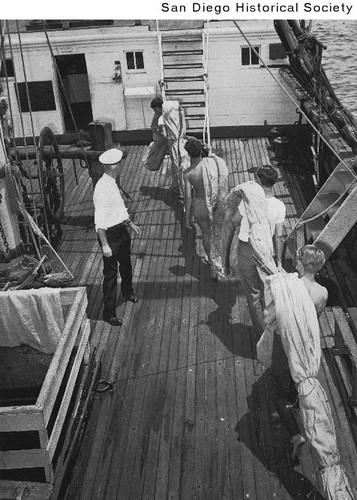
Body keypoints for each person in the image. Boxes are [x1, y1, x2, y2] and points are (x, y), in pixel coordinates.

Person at [261, 245, 328, 460]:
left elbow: (269, 316)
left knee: (278, 390)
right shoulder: (322, 293)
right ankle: (291, 409)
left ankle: (295, 435)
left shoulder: (288, 285)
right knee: (295, 380)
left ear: (300, 262)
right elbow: (313, 320)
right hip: (305, 343)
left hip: (284, 342)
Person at [231, 165, 286, 337]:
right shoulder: (279, 205)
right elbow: (279, 236)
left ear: (259, 181)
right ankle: (272, 326)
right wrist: (278, 262)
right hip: (266, 250)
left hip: (247, 248)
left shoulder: (248, 201)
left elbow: (234, 221)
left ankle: (261, 333)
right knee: (268, 292)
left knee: (253, 294)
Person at [93, 148, 140, 326]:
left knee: (126, 265)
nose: (121, 166)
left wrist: (129, 222)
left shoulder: (111, 182)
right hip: (109, 236)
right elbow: (99, 222)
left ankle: (127, 292)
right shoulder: (101, 189)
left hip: (121, 231)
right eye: (119, 163)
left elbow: (118, 207)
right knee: (111, 274)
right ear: (114, 166)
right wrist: (105, 245)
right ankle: (109, 313)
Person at [183, 137, 229, 278]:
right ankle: (224, 260)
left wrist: (187, 216)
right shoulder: (213, 163)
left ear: (189, 154)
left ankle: (211, 261)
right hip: (217, 204)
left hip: (201, 206)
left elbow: (188, 197)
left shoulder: (188, 173)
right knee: (219, 233)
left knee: (206, 235)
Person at [143, 97, 169, 172]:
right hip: (158, 134)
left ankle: (151, 164)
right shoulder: (158, 114)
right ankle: (151, 164)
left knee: (157, 150)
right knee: (157, 150)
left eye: (155, 108)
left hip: (160, 135)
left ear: (159, 107)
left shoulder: (161, 114)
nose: (154, 110)